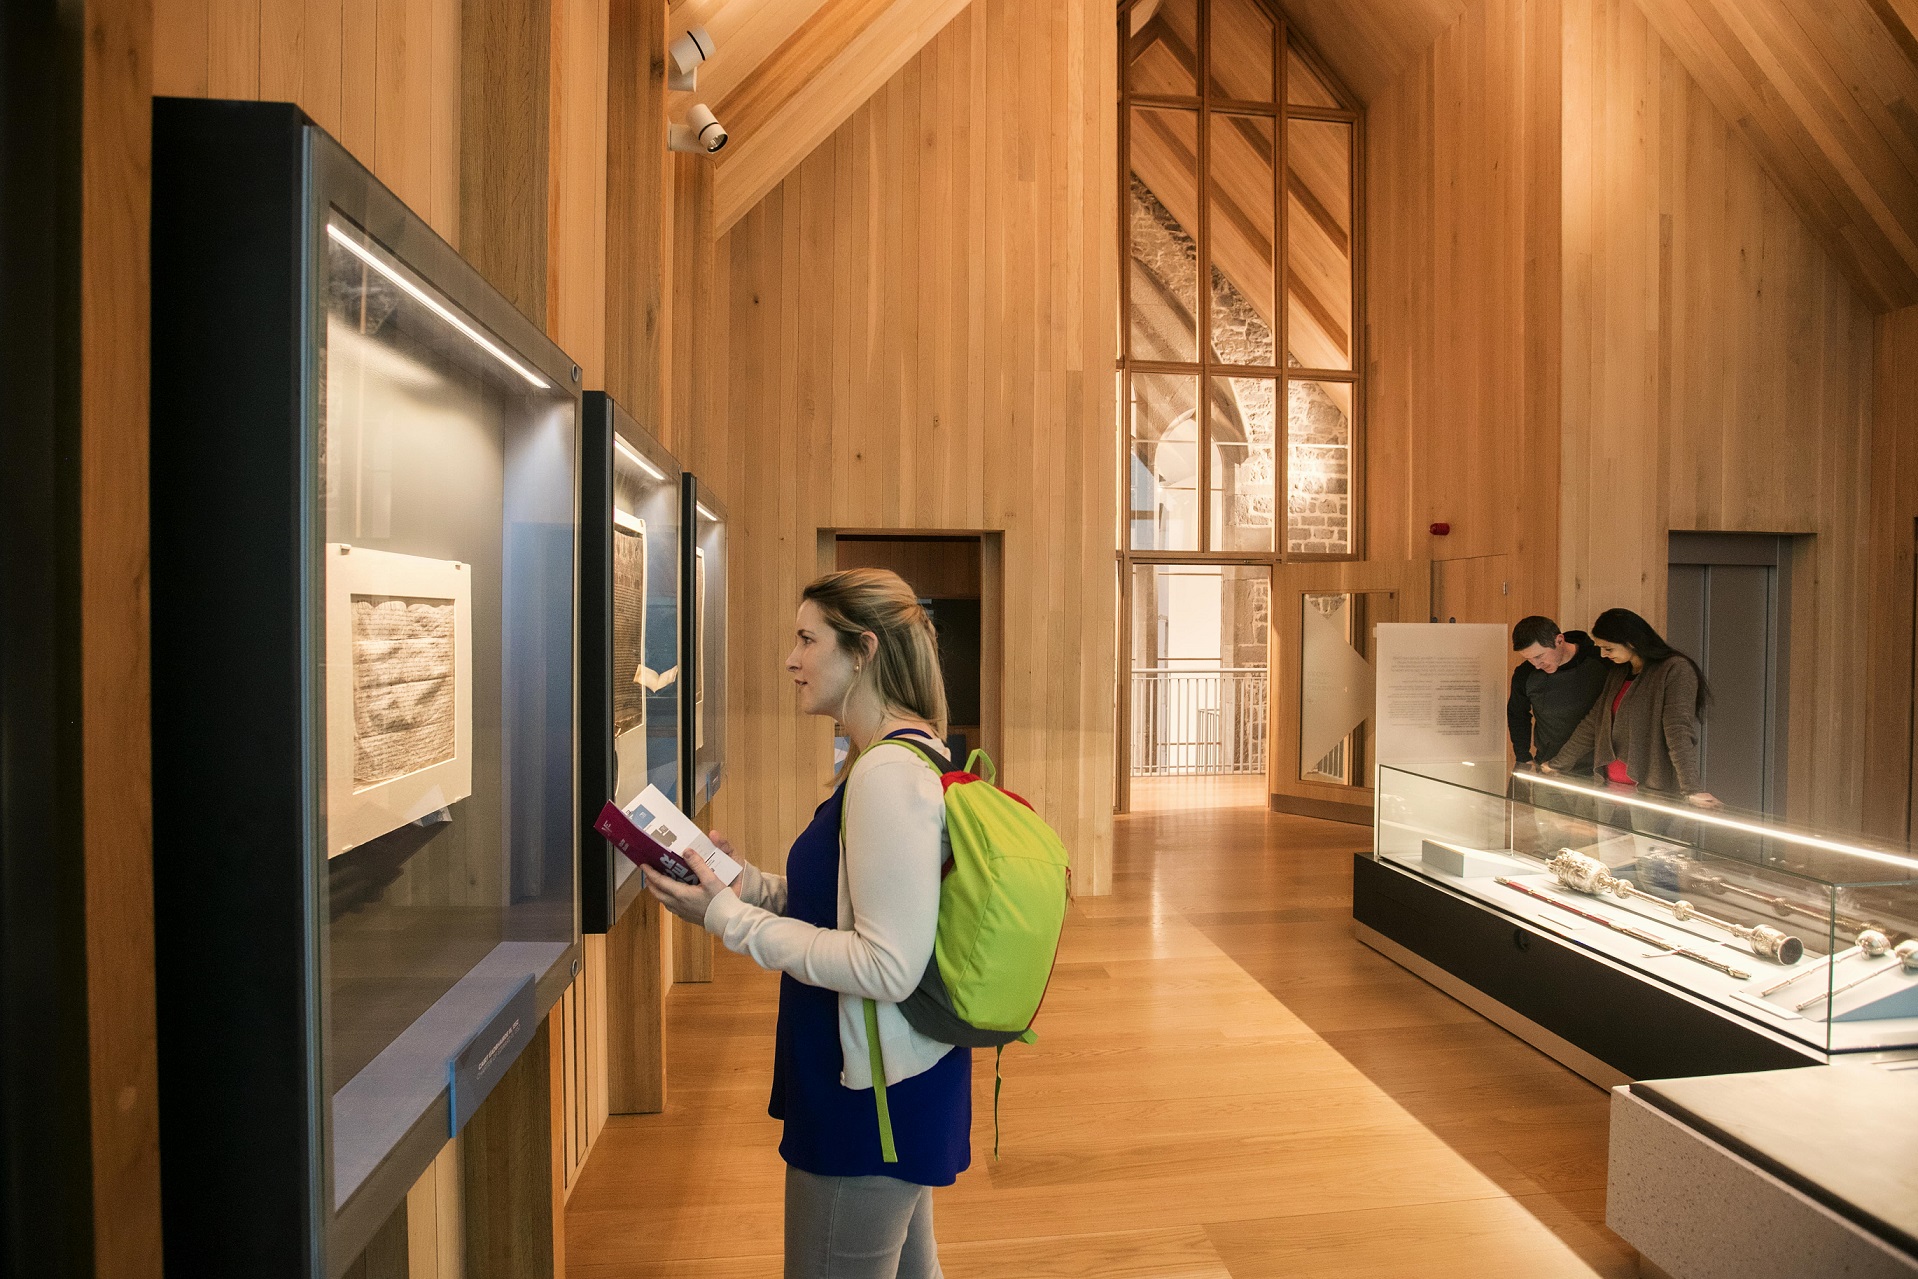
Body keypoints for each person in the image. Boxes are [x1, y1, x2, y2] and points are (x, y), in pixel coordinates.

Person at [644, 567, 967, 1279]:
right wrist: (743, 885)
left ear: (864, 651)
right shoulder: (889, 759)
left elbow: (887, 963)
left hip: (867, 1102)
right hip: (884, 1083)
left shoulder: (885, 775)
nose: (791, 659)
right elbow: (841, 903)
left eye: (806, 638)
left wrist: (728, 919)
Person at [1541, 607, 1721, 807]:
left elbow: (1677, 731)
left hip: (1650, 793)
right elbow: (1593, 723)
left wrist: (1692, 789)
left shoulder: (1674, 669)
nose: (1602, 654)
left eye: (1608, 648)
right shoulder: (1619, 672)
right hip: (1609, 788)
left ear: (1631, 642)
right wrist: (1557, 764)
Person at [1507, 616, 1608, 772]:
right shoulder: (1526, 673)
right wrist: (1523, 756)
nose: (1537, 665)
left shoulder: (1601, 662)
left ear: (1559, 640)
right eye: (1529, 659)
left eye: (1539, 656)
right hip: (1549, 766)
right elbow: (1517, 714)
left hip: (1598, 769)